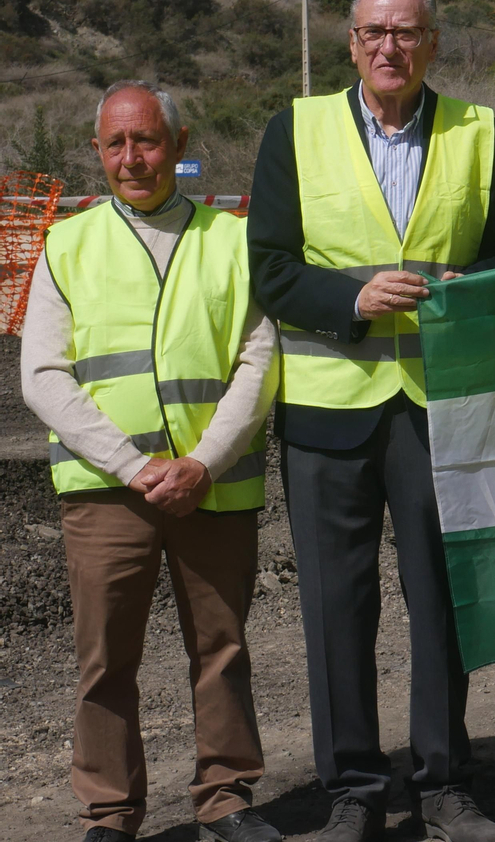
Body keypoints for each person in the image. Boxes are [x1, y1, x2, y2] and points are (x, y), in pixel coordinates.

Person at [248, 0, 495, 842]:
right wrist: (354, 298)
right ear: (351, 42)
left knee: (442, 596)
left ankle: (443, 783)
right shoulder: (295, 129)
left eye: (406, 32)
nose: (389, 47)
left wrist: (455, 289)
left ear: (434, 41)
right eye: (373, 33)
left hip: (441, 406)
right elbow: (272, 267)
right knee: (337, 605)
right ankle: (354, 790)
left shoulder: (483, 134)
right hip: (330, 408)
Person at [22, 81, 280, 842]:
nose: (132, 158)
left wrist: (201, 461)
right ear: (98, 152)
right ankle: (109, 811)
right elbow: (41, 374)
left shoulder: (233, 239)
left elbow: (259, 359)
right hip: (106, 492)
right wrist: (134, 467)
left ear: (179, 141)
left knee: (223, 647)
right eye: (115, 144)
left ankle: (227, 799)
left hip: (215, 486)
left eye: (147, 140)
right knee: (104, 660)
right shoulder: (67, 244)